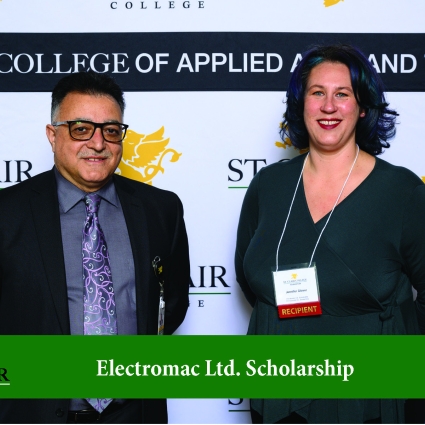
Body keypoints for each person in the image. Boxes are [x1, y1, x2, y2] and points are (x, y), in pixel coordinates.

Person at [235, 44, 425, 424]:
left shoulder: (401, 192)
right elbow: (247, 276)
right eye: (317, 93)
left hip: (369, 398)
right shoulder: (267, 185)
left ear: (362, 107)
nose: (328, 106)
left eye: (342, 95)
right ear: (301, 103)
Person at [0, 71, 191, 423]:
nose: (98, 143)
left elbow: (172, 305)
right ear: (52, 135)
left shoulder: (161, 210)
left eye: (111, 130)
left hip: (135, 413)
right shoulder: (7, 213)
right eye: (81, 129)